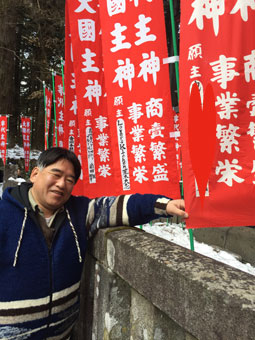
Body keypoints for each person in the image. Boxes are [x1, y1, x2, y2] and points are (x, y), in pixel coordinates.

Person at [0, 147, 188, 339]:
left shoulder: (79, 212)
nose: (61, 184)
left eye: (70, 180)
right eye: (55, 174)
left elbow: (118, 206)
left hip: (63, 334)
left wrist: (163, 205)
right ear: (35, 174)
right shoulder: (4, 214)